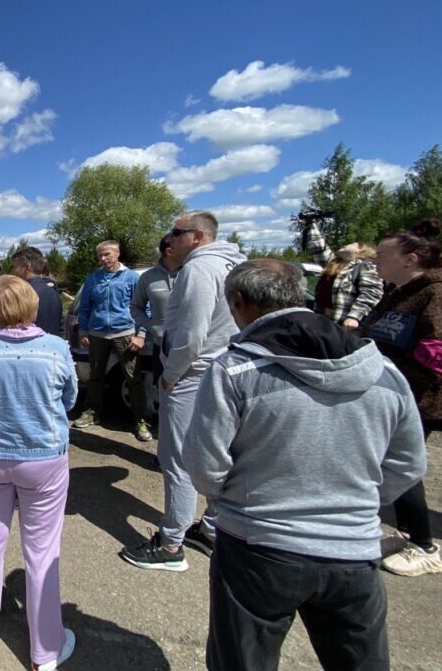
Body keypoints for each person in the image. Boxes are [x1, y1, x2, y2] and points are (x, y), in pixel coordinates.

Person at [184, 259, 427, 670]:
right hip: (353, 549)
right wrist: (359, 500)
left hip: (257, 546)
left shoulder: (235, 369)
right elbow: (407, 462)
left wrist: (240, 500)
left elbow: (205, 465)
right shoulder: (383, 370)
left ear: (239, 302)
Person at [0, 276, 78, 671]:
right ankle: (45, 649)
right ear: (32, 306)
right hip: (43, 458)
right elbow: (70, 399)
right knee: (41, 551)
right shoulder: (56, 348)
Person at [120, 212, 246, 571]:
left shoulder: (198, 270)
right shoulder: (235, 264)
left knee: (177, 458)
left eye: (176, 232)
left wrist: (171, 375)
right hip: (226, 370)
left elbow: (191, 335)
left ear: (199, 236)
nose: (169, 238)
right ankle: (210, 528)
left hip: (194, 373)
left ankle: (171, 544)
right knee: (219, 452)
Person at [361, 219, 442, 577]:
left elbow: (436, 351)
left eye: (382, 255)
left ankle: (425, 546)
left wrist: (401, 379)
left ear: (410, 259)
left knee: (401, 465)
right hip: (388, 393)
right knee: (385, 462)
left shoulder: (434, 293)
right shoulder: (396, 290)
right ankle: (408, 533)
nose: (375, 260)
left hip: (418, 398)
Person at [71, 241, 141, 430]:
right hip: (97, 334)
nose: (103, 259)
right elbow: (85, 309)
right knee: (95, 376)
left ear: (117, 254)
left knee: (132, 377)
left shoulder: (132, 277)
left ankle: (141, 419)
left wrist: (140, 334)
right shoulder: (93, 279)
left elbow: (143, 308)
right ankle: (91, 413)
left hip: (125, 333)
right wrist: (84, 331)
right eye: (100, 255)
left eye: (107, 254)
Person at [127, 235, 183, 442]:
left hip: (197, 349)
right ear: (169, 251)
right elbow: (135, 307)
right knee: (167, 398)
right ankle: (166, 445)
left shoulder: (193, 273)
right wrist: (153, 327)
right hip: (163, 350)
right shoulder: (148, 277)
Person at [302, 217, 384, 328]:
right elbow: (319, 248)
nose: (345, 244)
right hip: (324, 321)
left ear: (359, 250)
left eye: (351, 244)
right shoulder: (334, 263)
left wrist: (354, 317)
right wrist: (311, 223)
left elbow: (372, 293)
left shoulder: (366, 266)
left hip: (346, 326)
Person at [10, 246, 63, 336]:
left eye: (16, 267)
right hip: (52, 346)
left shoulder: (22, 294)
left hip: (30, 347)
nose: (14, 272)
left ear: (28, 267)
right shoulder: (53, 292)